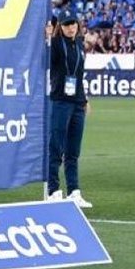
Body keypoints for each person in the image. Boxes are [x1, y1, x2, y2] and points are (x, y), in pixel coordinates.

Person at [46, 13, 95, 208]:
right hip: (60, 101)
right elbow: (45, 61)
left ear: (77, 24)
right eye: (66, 25)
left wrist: (85, 99)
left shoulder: (79, 44)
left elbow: (79, 75)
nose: (70, 28)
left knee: (73, 151)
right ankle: (53, 190)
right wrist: (47, 39)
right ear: (60, 26)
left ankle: (74, 191)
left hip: (77, 103)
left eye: (72, 24)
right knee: (56, 147)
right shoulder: (56, 44)